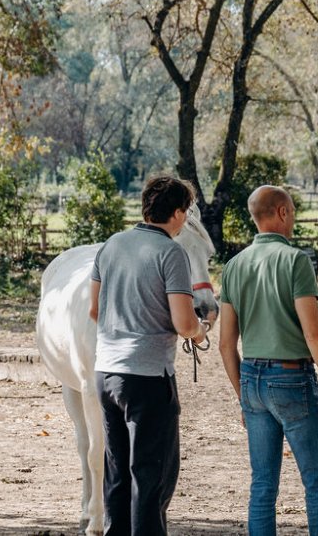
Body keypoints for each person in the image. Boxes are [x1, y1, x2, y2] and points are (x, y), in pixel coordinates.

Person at [218, 185, 318, 536]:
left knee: (262, 486)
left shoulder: (233, 266)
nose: (292, 218)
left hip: (251, 379)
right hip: (292, 378)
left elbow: (225, 344)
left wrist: (242, 395)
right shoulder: (295, 260)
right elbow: (314, 334)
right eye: (291, 211)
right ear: (281, 213)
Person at [88, 175, 207, 536]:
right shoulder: (171, 252)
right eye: (185, 212)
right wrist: (202, 328)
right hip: (148, 376)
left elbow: (95, 309)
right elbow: (184, 322)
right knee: (150, 475)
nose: (185, 219)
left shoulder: (111, 245)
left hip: (106, 372)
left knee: (117, 471)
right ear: (176, 212)